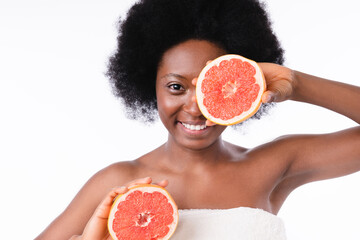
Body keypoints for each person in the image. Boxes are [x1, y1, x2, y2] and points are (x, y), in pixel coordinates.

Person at [35, 0, 360, 239]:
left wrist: (295, 84)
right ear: (151, 86)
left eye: (211, 86)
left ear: (237, 91)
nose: (195, 106)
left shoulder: (272, 165)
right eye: (176, 87)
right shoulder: (117, 182)